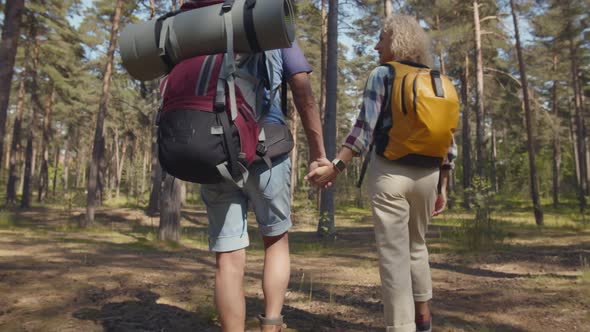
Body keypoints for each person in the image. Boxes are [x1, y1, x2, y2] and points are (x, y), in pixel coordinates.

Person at [178, 2, 327, 331]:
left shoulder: (203, 26)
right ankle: (271, 325)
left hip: (215, 151)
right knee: (275, 240)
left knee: (228, 257)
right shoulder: (271, 23)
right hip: (266, 150)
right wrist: (318, 151)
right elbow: (302, 88)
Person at [306, 14, 457, 332]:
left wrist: (337, 167)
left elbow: (363, 129)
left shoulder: (383, 74)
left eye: (381, 39)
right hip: (429, 176)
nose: (376, 46)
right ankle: (424, 319)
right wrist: (443, 186)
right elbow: (448, 141)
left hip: (390, 173)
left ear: (395, 40)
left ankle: (400, 328)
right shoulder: (437, 79)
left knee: (393, 255)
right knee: (417, 246)